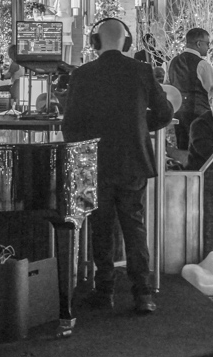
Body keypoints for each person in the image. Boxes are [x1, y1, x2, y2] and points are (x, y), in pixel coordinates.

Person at [61, 19, 174, 315]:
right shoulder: (142, 71)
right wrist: (140, 126)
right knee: (134, 226)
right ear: (126, 42)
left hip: (95, 162)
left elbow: (70, 126)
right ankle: (143, 293)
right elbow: (164, 112)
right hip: (133, 160)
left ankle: (104, 290)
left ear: (95, 42)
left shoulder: (82, 74)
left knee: (101, 227)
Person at [167, 27, 213, 151]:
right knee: (200, 149)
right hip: (199, 114)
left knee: (183, 148)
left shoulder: (172, 62)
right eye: (207, 43)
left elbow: (168, 86)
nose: (209, 47)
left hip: (179, 113)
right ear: (199, 44)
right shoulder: (202, 65)